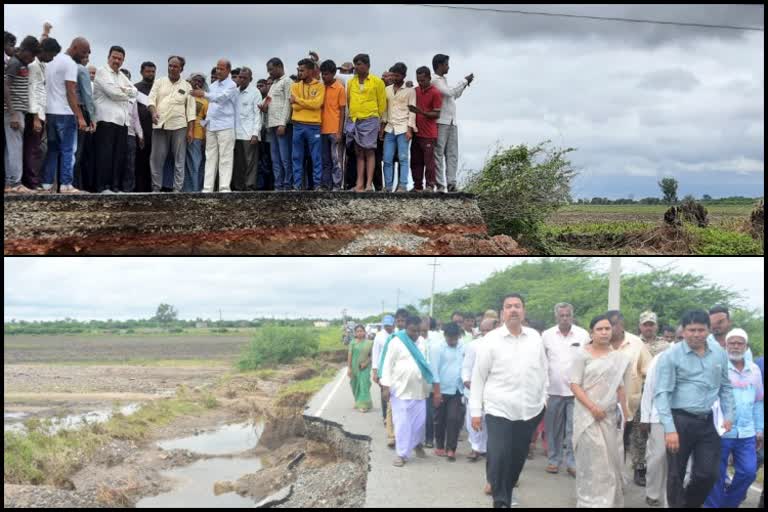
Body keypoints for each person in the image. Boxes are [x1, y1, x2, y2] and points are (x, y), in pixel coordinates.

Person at [470, 294, 548, 508]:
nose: (513, 310)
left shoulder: (534, 338)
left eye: (517, 306)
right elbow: (479, 376)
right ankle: (501, 499)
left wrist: (545, 399)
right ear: (502, 312)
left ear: (523, 311)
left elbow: (544, 370)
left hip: (529, 409)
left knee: (518, 455)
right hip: (499, 408)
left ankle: (506, 486)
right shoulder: (491, 340)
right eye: (509, 307)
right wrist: (476, 411)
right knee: (499, 452)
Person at [654, 309, 735, 508]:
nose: (696, 334)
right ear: (684, 330)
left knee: (708, 474)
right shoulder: (671, 356)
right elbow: (662, 394)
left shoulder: (718, 353)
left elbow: (725, 386)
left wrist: (729, 414)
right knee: (676, 475)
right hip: (680, 421)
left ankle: (689, 504)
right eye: (691, 330)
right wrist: (670, 429)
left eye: (701, 330)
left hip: (708, 421)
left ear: (708, 330)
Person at [570, 314, 632, 508]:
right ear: (592, 332)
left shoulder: (618, 358)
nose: (604, 332)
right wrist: (593, 407)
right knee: (593, 461)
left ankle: (608, 502)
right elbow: (574, 385)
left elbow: (620, 387)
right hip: (586, 416)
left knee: (609, 462)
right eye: (600, 329)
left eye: (607, 328)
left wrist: (625, 414)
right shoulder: (582, 354)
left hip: (609, 416)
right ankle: (590, 502)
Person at [704, 328, 763, 508]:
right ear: (726, 345)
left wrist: (759, 429)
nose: (736, 346)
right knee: (716, 474)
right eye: (732, 343)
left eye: (740, 343)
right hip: (721, 430)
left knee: (748, 472)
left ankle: (728, 504)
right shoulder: (717, 366)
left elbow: (759, 401)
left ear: (746, 347)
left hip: (746, 432)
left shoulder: (754, 370)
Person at [541, 302, 590, 477]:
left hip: (576, 391)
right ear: (556, 317)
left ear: (572, 315)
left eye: (567, 315)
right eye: (561, 315)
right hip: (553, 390)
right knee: (553, 429)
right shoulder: (547, 335)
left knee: (573, 429)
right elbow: (542, 362)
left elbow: (588, 360)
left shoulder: (582, 334)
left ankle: (572, 462)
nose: (564, 318)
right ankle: (554, 460)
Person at [380, 316, 433, 467]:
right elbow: (387, 365)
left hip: (419, 390)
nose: (415, 334)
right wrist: (385, 387)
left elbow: (425, 362)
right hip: (400, 391)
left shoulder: (422, 342)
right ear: (405, 329)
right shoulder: (396, 341)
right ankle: (402, 454)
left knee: (419, 421)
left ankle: (416, 443)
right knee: (402, 422)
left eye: (418, 331)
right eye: (412, 331)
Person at [40, 37, 89, 194]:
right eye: (82, 52)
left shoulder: (52, 61)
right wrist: (80, 116)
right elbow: (70, 91)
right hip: (65, 113)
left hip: (50, 112)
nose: (83, 57)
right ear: (74, 47)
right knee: (68, 150)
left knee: (53, 150)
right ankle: (66, 184)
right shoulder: (70, 64)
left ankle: (47, 184)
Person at [605, 309, 651, 474]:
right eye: (607, 325)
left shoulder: (636, 343)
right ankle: (604, 477)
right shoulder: (599, 342)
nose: (610, 329)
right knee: (603, 444)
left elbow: (648, 370)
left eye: (614, 325)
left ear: (622, 324)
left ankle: (617, 477)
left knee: (621, 443)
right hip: (601, 404)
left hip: (627, 406)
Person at [631, 310, 670, 486]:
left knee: (659, 431)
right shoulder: (633, 343)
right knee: (639, 430)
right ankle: (639, 466)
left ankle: (657, 467)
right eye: (645, 324)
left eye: (651, 324)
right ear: (640, 326)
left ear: (656, 326)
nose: (648, 327)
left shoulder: (666, 346)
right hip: (639, 389)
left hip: (660, 391)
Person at [92, 45, 137, 193]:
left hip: (122, 122)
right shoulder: (102, 72)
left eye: (120, 59)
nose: (116, 61)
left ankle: (115, 186)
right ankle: (102, 186)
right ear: (108, 57)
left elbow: (135, 91)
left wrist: (124, 90)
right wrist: (125, 91)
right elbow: (112, 93)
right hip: (106, 119)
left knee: (119, 156)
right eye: (114, 57)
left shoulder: (121, 76)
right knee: (105, 155)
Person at [147, 55, 195, 193]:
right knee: (156, 159)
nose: (172, 68)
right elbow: (151, 100)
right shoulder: (159, 82)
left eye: (175, 66)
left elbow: (190, 111)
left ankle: (177, 189)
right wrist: (153, 112)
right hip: (159, 125)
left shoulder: (187, 86)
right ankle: (156, 188)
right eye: (170, 65)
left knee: (179, 159)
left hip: (179, 126)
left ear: (181, 69)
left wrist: (190, 130)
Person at [192, 58, 239, 193]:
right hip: (212, 126)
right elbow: (210, 108)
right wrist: (205, 125)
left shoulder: (232, 85)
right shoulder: (212, 86)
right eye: (217, 68)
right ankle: (207, 188)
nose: (218, 71)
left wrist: (204, 94)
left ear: (228, 70)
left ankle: (224, 188)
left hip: (226, 126)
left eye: (221, 69)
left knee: (225, 157)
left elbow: (220, 99)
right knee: (210, 157)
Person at [431, 53, 473, 193]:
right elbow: (450, 92)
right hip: (441, 121)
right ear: (440, 65)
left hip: (450, 121)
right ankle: (440, 185)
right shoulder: (435, 80)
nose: (448, 67)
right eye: (446, 64)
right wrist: (464, 81)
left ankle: (451, 183)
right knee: (439, 153)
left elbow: (453, 95)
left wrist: (465, 85)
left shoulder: (443, 80)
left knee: (452, 154)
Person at [345, 53, 386, 192]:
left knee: (369, 151)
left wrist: (378, 122)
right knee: (358, 152)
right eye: (355, 64)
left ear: (367, 65)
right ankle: (359, 184)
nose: (357, 67)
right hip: (355, 119)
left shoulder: (377, 82)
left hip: (370, 119)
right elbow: (349, 100)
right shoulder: (351, 82)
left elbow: (382, 104)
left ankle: (369, 184)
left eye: (360, 64)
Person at [22, 37, 59, 191]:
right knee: (32, 149)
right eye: (52, 54)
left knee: (35, 148)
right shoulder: (33, 66)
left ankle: (31, 180)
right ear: (44, 52)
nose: (53, 58)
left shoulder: (42, 65)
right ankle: (31, 181)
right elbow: (32, 92)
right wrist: (36, 117)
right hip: (34, 114)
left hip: (41, 113)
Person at [4, 35, 40, 194]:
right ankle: (15, 183)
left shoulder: (20, 62)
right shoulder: (15, 63)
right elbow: (5, 86)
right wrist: (12, 114)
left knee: (11, 148)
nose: (32, 59)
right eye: (32, 55)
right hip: (14, 112)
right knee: (15, 147)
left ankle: (9, 183)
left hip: (19, 111)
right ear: (25, 50)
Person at [429, 322, 465, 462]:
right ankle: (439, 445)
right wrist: (437, 392)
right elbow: (434, 371)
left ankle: (451, 448)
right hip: (441, 389)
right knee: (440, 419)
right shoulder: (437, 348)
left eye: (455, 338)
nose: (453, 341)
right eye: (450, 338)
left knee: (454, 419)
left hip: (457, 389)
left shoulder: (463, 347)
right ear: (445, 336)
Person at [463, 317, 496, 467]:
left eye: (488, 329)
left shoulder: (501, 346)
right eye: (483, 330)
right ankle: (476, 447)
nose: (485, 332)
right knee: (474, 419)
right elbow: (466, 367)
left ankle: (488, 448)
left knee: (491, 421)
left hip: (494, 391)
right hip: (474, 389)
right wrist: (468, 382)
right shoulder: (473, 346)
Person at [375, 309, 409, 448]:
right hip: (394, 380)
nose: (401, 323)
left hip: (409, 381)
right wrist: (382, 379)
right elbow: (384, 360)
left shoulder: (414, 338)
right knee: (391, 407)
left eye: (403, 320)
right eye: (399, 320)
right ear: (396, 322)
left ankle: (405, 435)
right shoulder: (392, 338)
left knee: (406, 409)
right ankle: (391, 436)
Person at [379, 62, 415, 193]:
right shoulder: (387, 90)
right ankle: (387, 187)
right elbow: (385, 110)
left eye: (397, 75)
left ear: (404, 76)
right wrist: (382, 128)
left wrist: (410, 129)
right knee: (387, 158)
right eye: (393, 75)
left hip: (403, 128)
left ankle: (403, 186)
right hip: (390, 127)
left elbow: (412, 111)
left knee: (403, 158)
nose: (394, 77)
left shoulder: (410, 90)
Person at [288, 58, 324, 191]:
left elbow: (317, 104)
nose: (299, 72)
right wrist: (304, 103)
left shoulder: (319, 85)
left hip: (314, 125)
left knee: (316, 156)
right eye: (298, 70)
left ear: (310, 71)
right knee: (296, 156)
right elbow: (295, 108)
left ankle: (317, 185)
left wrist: (298, 100)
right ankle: (297, 185)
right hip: (298, 124)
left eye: (302, 70)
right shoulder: (295, 86)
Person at [262, 57, 293, 190]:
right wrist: (264, 107)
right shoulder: (273, 84)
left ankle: (287, 184)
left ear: (279, 66)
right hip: (271, 124)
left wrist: (283, 123)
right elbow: (268, 101)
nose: (269, 73)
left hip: (281, 125)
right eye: (268, 70)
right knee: (275, 158)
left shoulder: (287, 81)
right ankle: (278, 185)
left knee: (285, 157)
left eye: (271, 70)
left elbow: (288, 103)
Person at [409, 67, 441, 192]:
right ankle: (417, 186)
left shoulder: (435, 93)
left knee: (429, 162)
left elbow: (437, 114)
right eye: (418, 80)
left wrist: (421, 112)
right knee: (415, 161)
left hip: (429, 133)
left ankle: (430, 185)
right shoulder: (415, 90)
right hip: (417, 132)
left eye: (422, 80)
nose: (420, 83)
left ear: (429, 78)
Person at [232, 66, 261, 191]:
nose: (242, 79)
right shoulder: (234, 92)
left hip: (249, 133)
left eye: (245, 78)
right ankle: (238, 187)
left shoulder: (255, 93)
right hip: (235, 134)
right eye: (240, 77)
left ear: (250, 79)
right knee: (238, 163)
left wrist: (255, 133)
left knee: (250, 162)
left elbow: (257, 114)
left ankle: (249, 186)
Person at [319, 59, 345, 191]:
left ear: (334, 73)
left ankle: (337, 185)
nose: (324, 77)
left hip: (334, 130)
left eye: (327, 74)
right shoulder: (320, 88)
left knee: (336, 160)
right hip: (321, 129)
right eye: (322, 74)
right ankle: (326, 185)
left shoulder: (340, 88)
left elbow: (342, 111)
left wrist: (340, 131)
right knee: (325, 160)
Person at [72, 53, 97, 191]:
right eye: (86, 55)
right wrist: (92, 118)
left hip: (68, 111)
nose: (87, 58)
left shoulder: (67, 68)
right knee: (79, 151)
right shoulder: (81, 70)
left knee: (70, 150)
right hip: (82, 111)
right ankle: (74, 184)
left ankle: (68, 183)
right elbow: (87, 96)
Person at [118, 68, 143, 192]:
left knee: (130, 163)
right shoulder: (113, 93)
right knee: (117, 162)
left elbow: (136, 116)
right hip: (116, 132)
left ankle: (128, 190)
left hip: (131, 134)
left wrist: (140, 134)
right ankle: (115, 187)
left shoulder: (133, 95)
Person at [133, 61, 156, 192]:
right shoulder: (135, 88)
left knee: (152, 161)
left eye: (153, 71)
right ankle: (138, 188)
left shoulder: (157, 88)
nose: (150, 74)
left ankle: (151, 188)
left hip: (155, 131)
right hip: (140, 130)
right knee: (139, 160)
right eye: (148, 71)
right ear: (142, 72)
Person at [183, 73, 208, 192]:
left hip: (197, 135)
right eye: (195, 80)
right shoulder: (184, 95)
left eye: (200, 81)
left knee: (195, 163)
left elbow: (205, 120)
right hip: (181, 132)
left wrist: (204, 136)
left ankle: (194, 189)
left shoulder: (205, 101)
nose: (197, 83)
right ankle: (184, 189)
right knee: (183, 163)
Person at [347, 324, 374, 413]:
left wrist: (366, 363)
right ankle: (358, 401)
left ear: (365, 332)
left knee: (364, 385)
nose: (359, 333)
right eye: (357, 331)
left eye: (361, 331)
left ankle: (363, 405)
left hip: (365, 367)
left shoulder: (369, 343)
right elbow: (350, 356)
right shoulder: (352, 343)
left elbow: (372, 355)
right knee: (355, 385)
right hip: (355, 367)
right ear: (355, 333)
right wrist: (349, 368)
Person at [254, 78, 273, 190]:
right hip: (258, 133)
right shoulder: (256, 98)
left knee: (269, 161)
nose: (259, 88)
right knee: (260, 161)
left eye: (262, 85)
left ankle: (269, 186)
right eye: (257, 86)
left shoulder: (270, 98)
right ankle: (261, 186)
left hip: (269, 132)